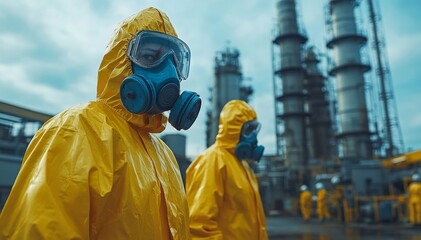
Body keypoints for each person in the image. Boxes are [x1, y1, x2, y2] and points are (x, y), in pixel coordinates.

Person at [0, 7, 200, 239]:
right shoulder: (76, 131)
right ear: (121, 64)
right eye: (150, 57)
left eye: (174, 62)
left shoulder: (165, 157)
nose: (169, 72)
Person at [186, 100, 268, 240]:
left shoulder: (244, 167)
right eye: (248, 130)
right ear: (234, 129)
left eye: (254, 130)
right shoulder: (212, 161)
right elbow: (200, 227)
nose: (253, 137)